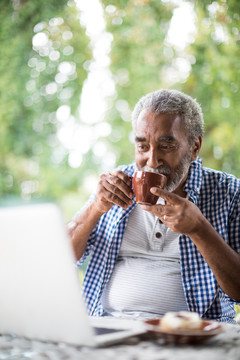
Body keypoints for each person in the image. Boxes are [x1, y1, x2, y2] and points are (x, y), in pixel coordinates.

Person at [67, 89, 240, 322]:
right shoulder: (114, 185)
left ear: (194, 148)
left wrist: (199, 229)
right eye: (142, 146)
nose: (152, 161)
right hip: (108, 327)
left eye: (166, 146)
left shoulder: (229, 192)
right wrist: (95, 208)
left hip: (193, 336)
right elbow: (61, 257)